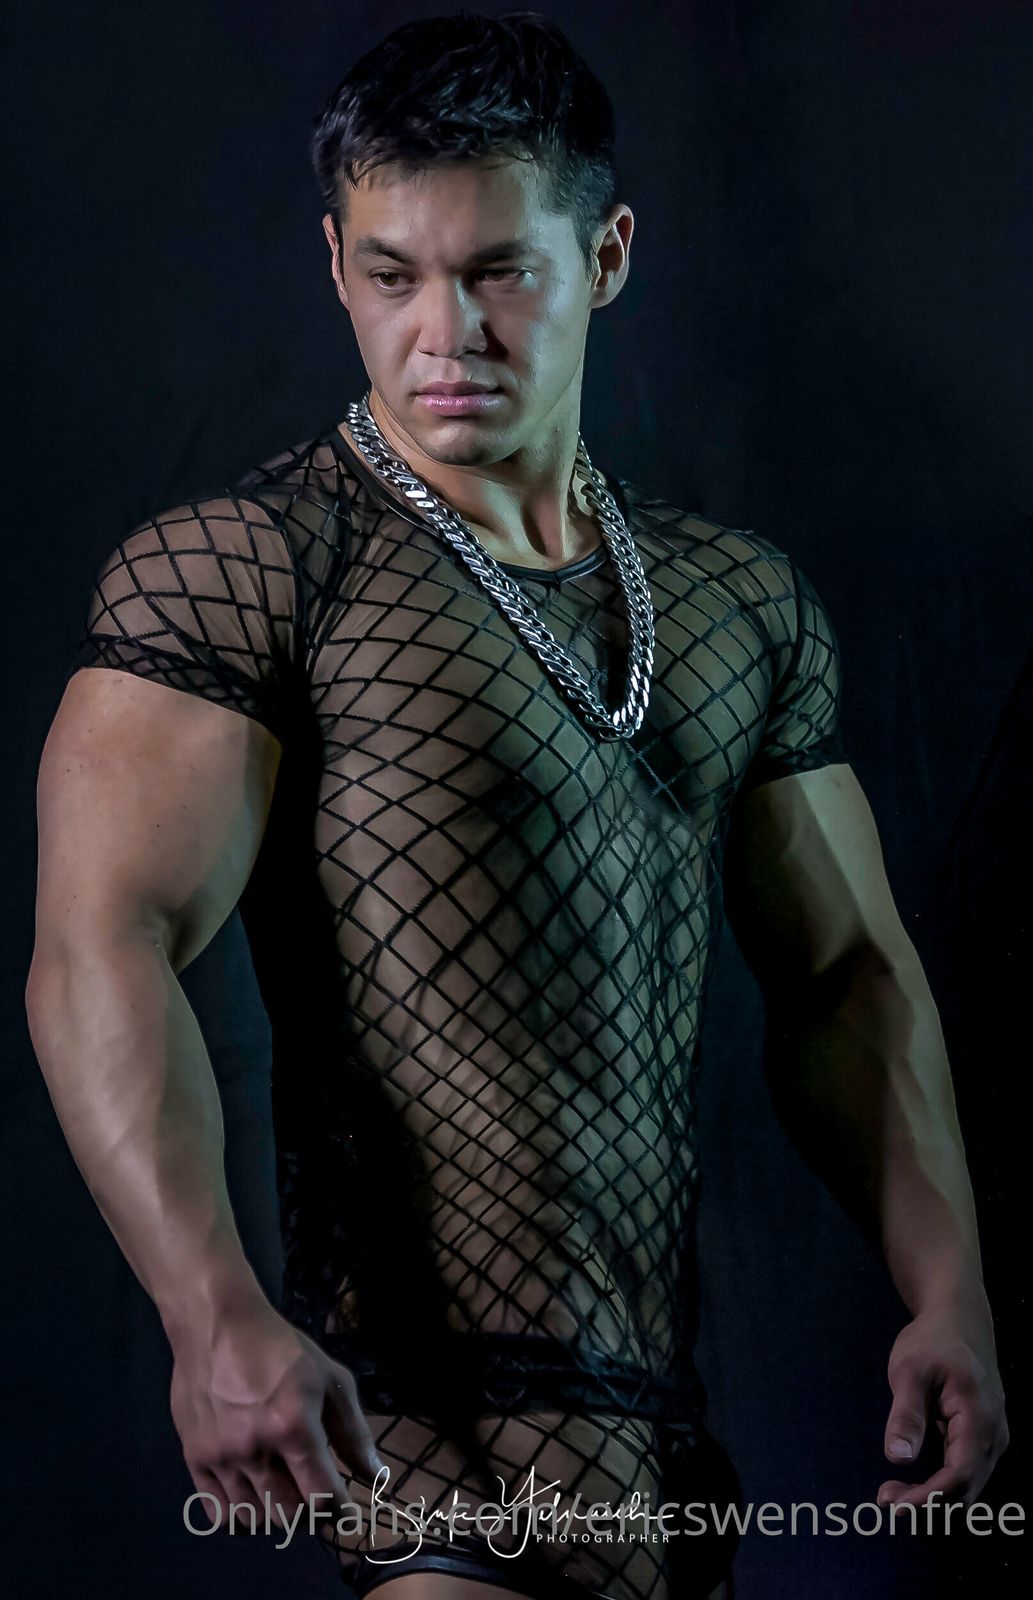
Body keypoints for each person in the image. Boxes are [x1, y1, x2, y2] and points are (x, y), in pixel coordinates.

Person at [25, 12, 1008, 1600]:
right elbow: (103, 943)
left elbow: (844, 975)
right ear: (335, 265)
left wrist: (946, 1287)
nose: (443, 333)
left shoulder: (732, 601)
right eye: (391, 274)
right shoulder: (252, 568)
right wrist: (210, 1312)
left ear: (604, 258)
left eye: (498, 272)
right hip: (417, 1434)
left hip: (661, 1450)